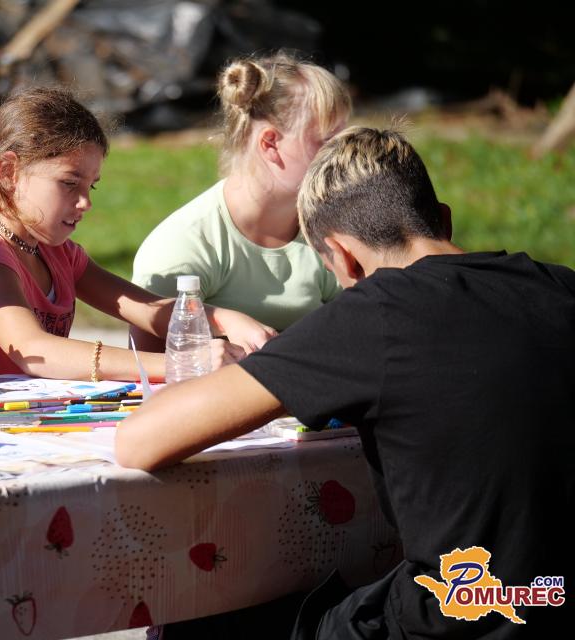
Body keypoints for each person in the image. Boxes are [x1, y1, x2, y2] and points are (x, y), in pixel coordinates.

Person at [116, 127, 575, 638]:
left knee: (201, 621)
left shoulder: (376, 314)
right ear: (442, 218)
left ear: (344, 255)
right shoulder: (560, 286)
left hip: (455, 617)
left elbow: (140, 440)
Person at [0, 87, 275, 382]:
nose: (86, 202)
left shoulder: (57, 253)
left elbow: (146, 309)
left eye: (90, 186)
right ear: (8, 173)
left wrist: (223, 319)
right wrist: (179, 365)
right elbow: (34, 350)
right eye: (69, 183)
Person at [131, 52, 351, 351]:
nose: (344, 154)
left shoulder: (336, 227)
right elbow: (149, 366)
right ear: (270, 143)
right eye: (327, 141)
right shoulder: (185, 245)